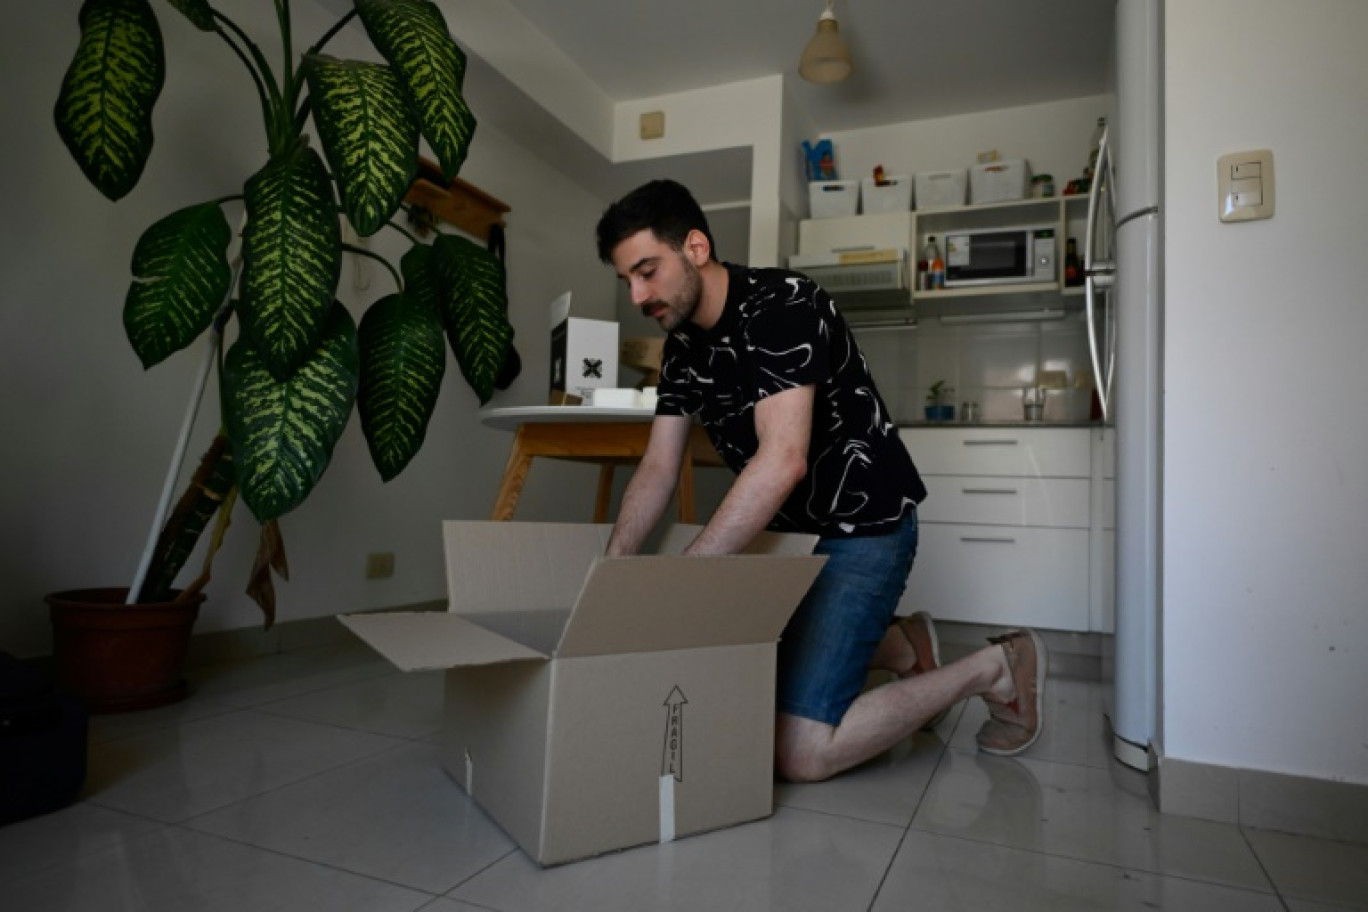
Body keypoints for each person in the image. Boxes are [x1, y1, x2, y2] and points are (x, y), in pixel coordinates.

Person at [595, 179, 1047, 782]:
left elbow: (783, 459)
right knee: (747, 688)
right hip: (791, 540)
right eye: (627, 279)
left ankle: (996, 667)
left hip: (863, 528)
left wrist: (686, 581)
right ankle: (904, 647)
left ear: (696, 247)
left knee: (798, 750)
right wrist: (614, 569)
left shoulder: (783, 302)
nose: (637, 294)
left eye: (647, 271)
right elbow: (658, 467)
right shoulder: (681, 349)